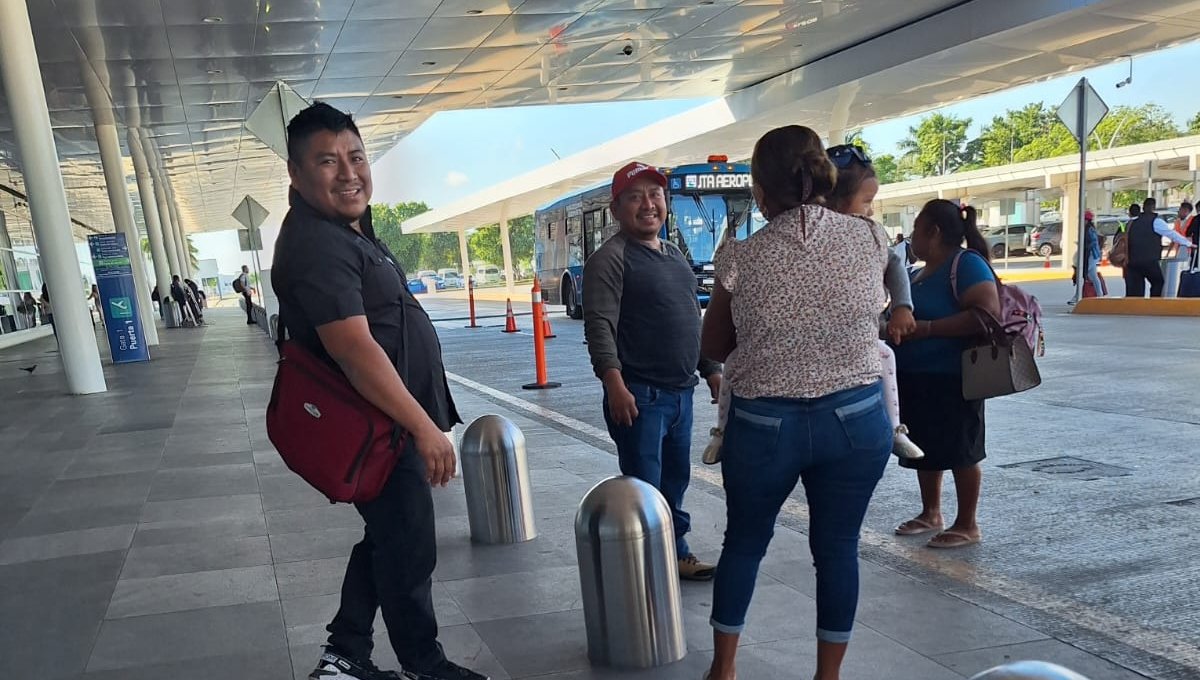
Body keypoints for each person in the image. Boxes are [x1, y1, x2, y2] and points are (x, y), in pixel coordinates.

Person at [271, 102, 485, 680]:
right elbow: (354, 349)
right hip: (378, 429)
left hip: (387, 425)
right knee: (409, 545)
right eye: (327, 161)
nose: (348, 172)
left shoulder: (345, 230)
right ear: (295, 174)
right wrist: (421, 426)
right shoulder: (316, 243)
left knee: (389, 537)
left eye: (356, 156)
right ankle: (424, 664)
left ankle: (345, 657)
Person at [699, 125, 894, 680]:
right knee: (837, 548)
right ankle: (827, 677)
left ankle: (724, 670)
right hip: (856, 420)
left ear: (760, 193)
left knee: (744, 542)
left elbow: (713, 346)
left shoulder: (740, 255)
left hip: (765, 425)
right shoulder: (870, 240)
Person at [582, 160, 723, 581]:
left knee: (675, 482)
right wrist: (615, 385)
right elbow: (599, 327)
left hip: (681, 394)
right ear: (616, 209)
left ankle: (674, 552)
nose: (649, 204)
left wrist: (710, 368)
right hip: (641, 396)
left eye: (656, 195)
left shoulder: (675, 255)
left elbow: (688, 319)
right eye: (636, 196)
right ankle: (645, 564)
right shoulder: (610, 260)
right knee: (644, 486)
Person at [891, 199, 1000, 549]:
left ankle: (967, 523)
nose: (911, 239)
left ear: (933, 232)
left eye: (915, 231)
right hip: (916, 375)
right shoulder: (915, 272)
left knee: (961, 449)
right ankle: (931, 512)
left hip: (954, 376)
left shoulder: (965, 265)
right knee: (927, 446)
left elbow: (986, 313)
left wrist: (926, 329)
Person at [1123, 197, 1192, 297]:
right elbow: (1172, 234)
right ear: (1153, 207)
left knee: (1135, 290)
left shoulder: (1131, 223)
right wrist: (1189, 243)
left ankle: (1135, 310)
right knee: (1158, 282)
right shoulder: (1155, 221)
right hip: (1149, 260)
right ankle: (1153, 304)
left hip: (1131, 261)